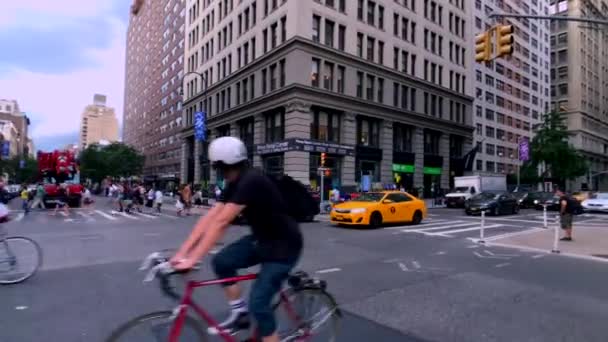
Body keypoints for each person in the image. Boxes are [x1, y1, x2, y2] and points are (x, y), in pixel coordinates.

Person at [171, 136, 303, 342]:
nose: (217, 170)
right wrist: (181, 253)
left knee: (259, 304)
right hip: (261, 240)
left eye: (217, 166)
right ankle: (240, 313)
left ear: (221, 165)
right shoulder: (235, 182)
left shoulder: (251, 180)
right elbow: (210, 217)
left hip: (284, 247)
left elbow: (221, 223)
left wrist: (192, 258)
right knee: (222, 262)